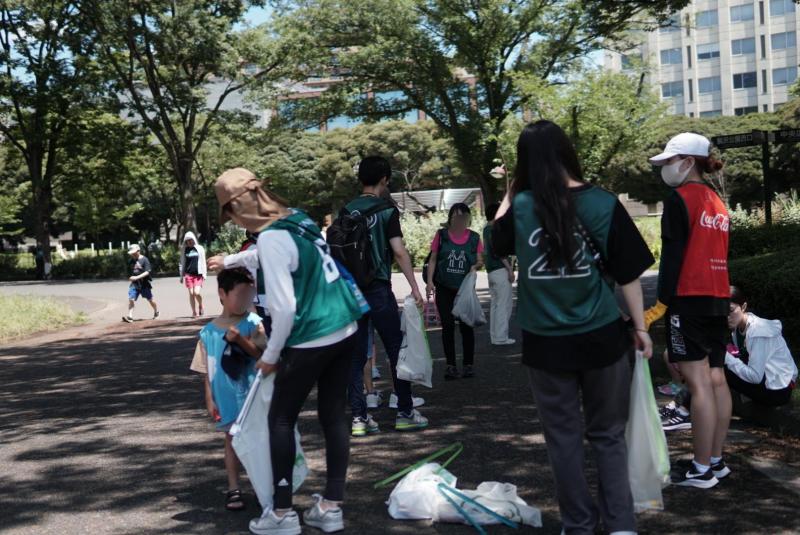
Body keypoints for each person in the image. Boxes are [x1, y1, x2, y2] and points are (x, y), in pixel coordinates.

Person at [491, 120, 654, 535]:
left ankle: (578, 524)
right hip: (602, 335)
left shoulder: (524, 205)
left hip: (546, 344)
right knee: (608, 434)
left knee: (563, 439)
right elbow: (629, 275)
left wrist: (512, 189)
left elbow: (495, 239)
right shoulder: (602, 202)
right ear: (567, 151)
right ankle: (620, 524)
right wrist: (641, 328)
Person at [214, 167, 363, 535]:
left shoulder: (270, 240)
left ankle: (281, 514)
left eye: (229, 213)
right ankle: (331, 507)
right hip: (347, 325)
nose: (232, 220)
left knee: (280, 419)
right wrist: (231, 261)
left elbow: (283, 308)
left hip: (311, 336)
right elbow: (280, 259)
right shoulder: (296, 218)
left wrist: (269, 355)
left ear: (237, 206)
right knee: (333, 415)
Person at [644, 132, 732, 489]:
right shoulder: (717, 201)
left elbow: (673, 259)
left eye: (669, 161)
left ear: (687, 162)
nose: (665, 168)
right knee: (716, 379)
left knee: (697, 384)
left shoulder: (680, 199)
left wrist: (659, 306)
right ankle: (715, 460)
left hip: (689, 298)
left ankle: (700, 470)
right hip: (717, 297)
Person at [343, 156, 427, 436]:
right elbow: (399, 251)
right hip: (378, 288)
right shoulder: (387, 211)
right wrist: (415, 287)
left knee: (356, 356)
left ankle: (359, 417)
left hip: (352, 292)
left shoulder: (347, 210)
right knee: (395, 348)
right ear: (385, 179)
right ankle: (404, 411)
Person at [189, 267, 266, 512]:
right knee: (231, 440)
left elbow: (263, 355)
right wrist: (209, 398)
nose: (245, 299)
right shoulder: (208, 333)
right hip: (225, 396)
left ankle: (262, 486)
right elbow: (206, 370)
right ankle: (234, 487)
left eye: (249, 293)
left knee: (259, 441)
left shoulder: (254, 323)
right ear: (222, 293)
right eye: (240, 293)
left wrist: (241, 340)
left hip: (254, 394)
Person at [425, 203, 484, 380]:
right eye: (456, 217)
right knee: (448, 326)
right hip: (444, 287)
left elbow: (480, 260)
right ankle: (450, 365)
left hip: (464, 289)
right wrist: (429, 282)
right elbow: (433, 259)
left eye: (463, 217)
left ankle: (468, 365)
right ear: (450, 218)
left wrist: (475, 266)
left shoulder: (474, 237)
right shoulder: (441, 235)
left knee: (467, 326)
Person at [725, 286, 797, 406]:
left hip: (779, 391)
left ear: (743, 307)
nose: (726, 316)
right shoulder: (739, 327)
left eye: (730, 310)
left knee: (720, 369)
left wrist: (726, 357)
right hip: (769, 380)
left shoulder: (757, 332)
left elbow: (755, 377)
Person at [483, 202, 516, 345]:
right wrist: (509, 269)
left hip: (491, 271)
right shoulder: (495, 229)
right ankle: (501, 337)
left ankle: (495, 336)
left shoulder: (486, 229)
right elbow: (499, 251)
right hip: (500, 270)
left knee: (496, 304)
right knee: (504, 304)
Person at [123, 244, 158, 322]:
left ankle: (156, 311)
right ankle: (130, 316)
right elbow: (129, 273)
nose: (133, 255)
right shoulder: (131, 261)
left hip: (144, 284)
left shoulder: (145, 259)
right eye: (132, 253)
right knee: (131, 298)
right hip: (134, 284)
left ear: (138, 251)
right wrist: (130, 277)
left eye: (134, 253)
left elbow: (147, 272)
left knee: (150, 300)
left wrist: (136, 277)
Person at [179, 231, 207, 318]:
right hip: (188, 274)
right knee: (191, 293)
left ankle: (201, 305)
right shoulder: (184, 250)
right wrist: (181, 276)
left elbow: (203, 262)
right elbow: (182, 262)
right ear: (186, 242)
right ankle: (194, 312)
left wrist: (204, 274)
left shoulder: (200, 248)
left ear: (194, 239)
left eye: (191, 240)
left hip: (198, 275)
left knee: (196, 292)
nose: (190, 242)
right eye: (188, 241)